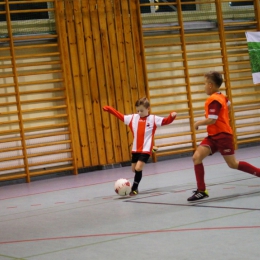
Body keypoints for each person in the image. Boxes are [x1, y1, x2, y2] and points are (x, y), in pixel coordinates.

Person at [188, 71, 260, 201]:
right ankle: (201, 190)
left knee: (232, 164)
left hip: (223, 136)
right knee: (196, 157)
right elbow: (229, 107)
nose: (204, 86)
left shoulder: (214, 100)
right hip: (212, 136)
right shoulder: (223, 97)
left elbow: (212, 120)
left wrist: (198, 123)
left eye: (204, 83)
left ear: (210, 85)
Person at [103, 97, 177, 196]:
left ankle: (134, 189)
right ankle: (152, 150)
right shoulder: (133, 118)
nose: (139, 112)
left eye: (141, 110)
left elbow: (166, 121)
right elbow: (120, 116)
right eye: (138, 110)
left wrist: (172, 116)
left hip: (146, 149)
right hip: (136, 149)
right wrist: (110, 109)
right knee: (133, 169)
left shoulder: (153, 119)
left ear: (148, 109)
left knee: (138, 168)